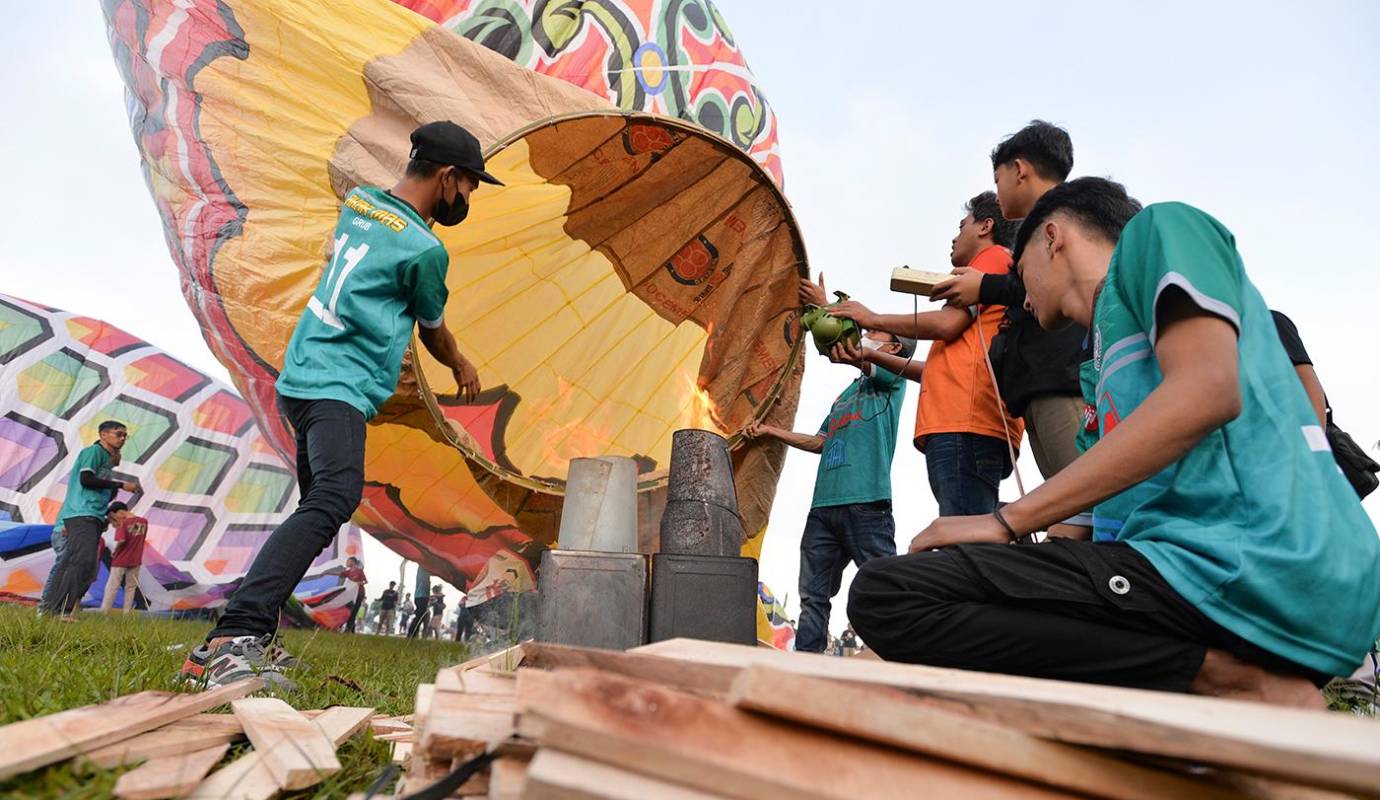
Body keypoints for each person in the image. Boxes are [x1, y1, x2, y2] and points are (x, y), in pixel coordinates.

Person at [849, 178, 1380, 705]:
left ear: (1053, 238)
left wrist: (1003, 521)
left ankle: (1229, 680)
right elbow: (1088, 519)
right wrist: (1015, 559)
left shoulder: (1159, 230)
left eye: (1021, 272)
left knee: (890, 593)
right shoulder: (1096, 360)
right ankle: (1198, 692)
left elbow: (1208, 389)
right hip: (1172, 571)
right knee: (910, 590)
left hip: (1251, 560)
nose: (1021, 295)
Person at [180, 121, 498, 687]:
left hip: (302, 374)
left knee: (318, 506)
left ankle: (256, 634)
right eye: (471, 184)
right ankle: (233, 638)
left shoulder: (361, 203)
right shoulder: (425, 251)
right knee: (333, 497)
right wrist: (462, 365)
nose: (469, 196)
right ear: (449, 177)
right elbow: (433, 331)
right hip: (338, 384)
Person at [833, 193, 1024, 516]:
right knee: (966, 524)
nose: (954, 237)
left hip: (967, 423)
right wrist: (871, 356)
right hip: (964, 422)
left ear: (985, 226)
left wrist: (872, 318)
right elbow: (931, 370)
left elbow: (946, 324)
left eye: (962, 226)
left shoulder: (992, 257)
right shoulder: (986, 284)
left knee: (965, 533)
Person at [928, 121, 1086, 480]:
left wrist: (985, 286)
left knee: (1083, 491)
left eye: (998, 179)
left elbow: (1055, 286)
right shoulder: (1039, 229)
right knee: (1067, 496)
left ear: (1019, 169)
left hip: (1061, 381)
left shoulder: (1065, 219)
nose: (997, 192)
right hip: (1039, 386)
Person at [743, 325, 914, 654]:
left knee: (887, 587)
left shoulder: (895, 376)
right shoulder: (846, 394)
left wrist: (835, 325)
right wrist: (771, 431)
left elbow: (856, 355)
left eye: (877, 332)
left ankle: (905, 657)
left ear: (895, 348)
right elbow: (820, 441)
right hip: (823, 508)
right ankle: (807, 665)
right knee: (813, 596)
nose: (869, 332)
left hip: (867, 503)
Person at [40, 420, 140, 617]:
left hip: (89, 517)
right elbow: (86, 479)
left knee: (83, 566)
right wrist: (120, 485)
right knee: (75, 563)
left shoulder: (106, 467)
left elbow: (97, 493)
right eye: (118, 434)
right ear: (103, 435)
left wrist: (106, 517)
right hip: (79, 515)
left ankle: (55, 610)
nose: (122, 439)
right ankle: (54, 610)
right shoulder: (93, 452)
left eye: (125, 436)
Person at [100, 501, 148, 613]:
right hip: (136, 558)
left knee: (112, 586)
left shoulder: (123, 523)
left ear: (120, 512)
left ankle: (104, 611)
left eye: (114, 516)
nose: (115, 520)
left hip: (121, 559)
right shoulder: (144, 521)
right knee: (131, 587)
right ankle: (126, 612)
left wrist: (115, 551)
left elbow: (121, 540)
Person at [341, 556, 367, 633]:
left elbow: (365, 581)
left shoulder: (359, 571)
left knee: (353, 611)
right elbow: (339, 574)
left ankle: (348, 629)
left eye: (348, 561)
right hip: (350, 595)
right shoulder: (348, 572)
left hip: (359, 594)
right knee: (348, 610)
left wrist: (360, 583)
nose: (347, 562)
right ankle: (351, 628)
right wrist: (326, 573)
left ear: (353, 562)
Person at [407, 569, 434, 639]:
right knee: (419, 617)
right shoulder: (423, 568)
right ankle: (411, 633)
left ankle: (413, 634)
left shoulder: (424, 571)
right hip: (421, 596)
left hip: (421, 596)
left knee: (420, 617)